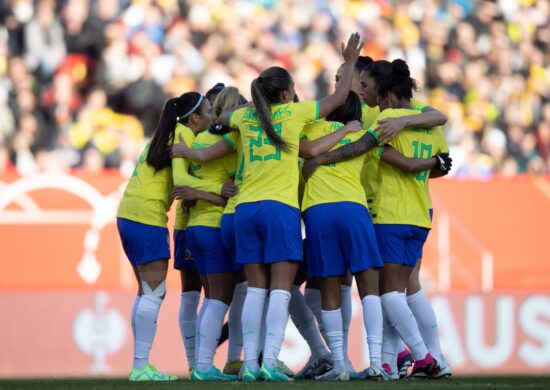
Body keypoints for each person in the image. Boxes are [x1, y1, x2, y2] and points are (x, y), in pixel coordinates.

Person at [213, 33, 363, 382]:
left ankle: (250, 364)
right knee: (281, 288)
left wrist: (247, 107)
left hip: (245, 209)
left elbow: (221, 121)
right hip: (279, 209)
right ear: (284, 94)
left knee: (254, 288)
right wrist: (351, 62)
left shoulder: (245, 119)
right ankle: (270, 360)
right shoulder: (295, 113)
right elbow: (340, 97)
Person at [117, 92, 234, 381]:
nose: (211, 116)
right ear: (195, 118)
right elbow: (182, 182)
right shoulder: (185, 136)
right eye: (208, 111)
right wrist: (220, 187)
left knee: (146, 292)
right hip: (147, 217)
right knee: (154, 293)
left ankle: (141, 364)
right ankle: (140, 367)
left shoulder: (165, 133)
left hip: (128, 214)